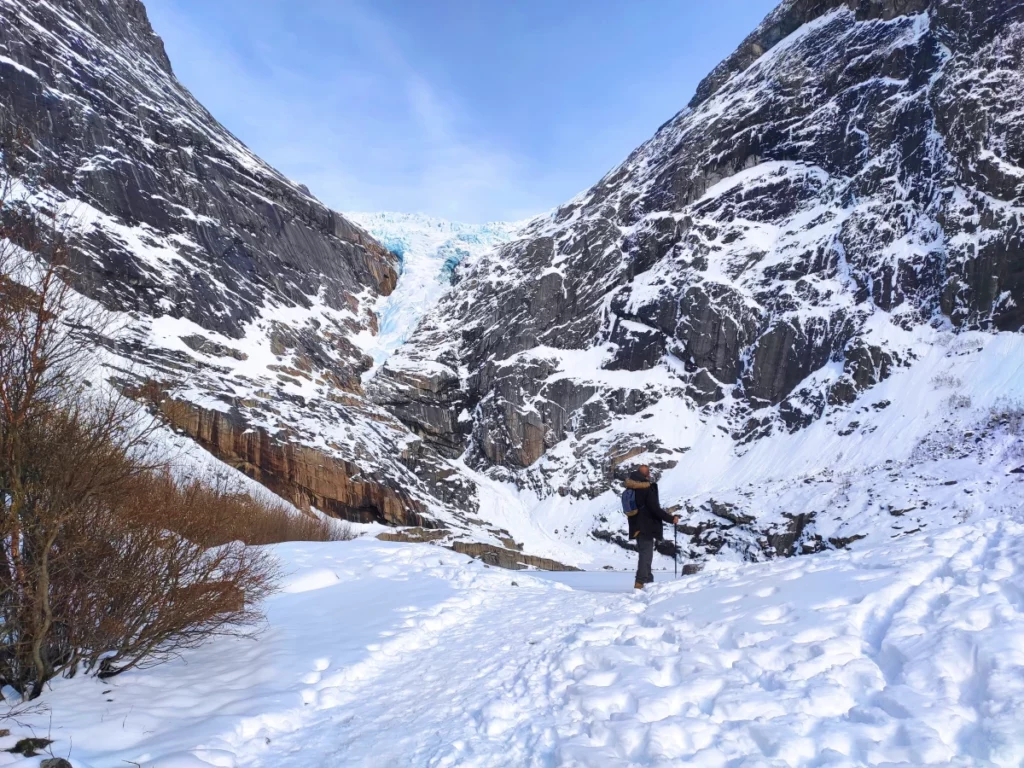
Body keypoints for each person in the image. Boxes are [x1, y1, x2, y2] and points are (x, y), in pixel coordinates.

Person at [625, 465, 679, 590]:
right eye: (648, 473)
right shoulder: (646, 488)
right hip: (646, 526)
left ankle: (648, 581)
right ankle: (640, 583)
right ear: (646, 474)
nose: (650, 475)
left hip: (636, 526)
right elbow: (655, 509)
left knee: (646, 554)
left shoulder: (631, 486)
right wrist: (671, 519)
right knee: (646, 554)